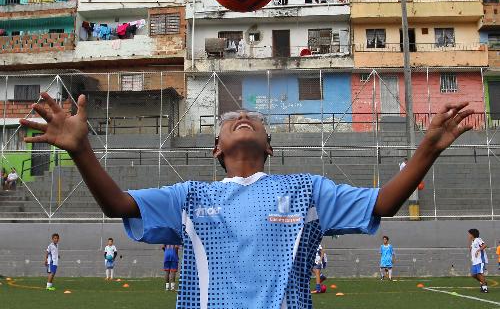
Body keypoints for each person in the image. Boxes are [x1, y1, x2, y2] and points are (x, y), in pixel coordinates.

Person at [20, 93, 474, 308]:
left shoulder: (307, 191)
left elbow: (383, 204)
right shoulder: (189, 197)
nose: (241, 116)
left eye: (252, 117)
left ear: (270, 146)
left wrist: (428, 148)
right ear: (215, 147)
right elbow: (118, 204)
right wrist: (81, 149)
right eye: (231, 118)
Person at [469, 228, 488, 293]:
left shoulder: (478, 239)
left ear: (473, 234)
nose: (469, 235)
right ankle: (483, 282)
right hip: (475, 261)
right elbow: (472, 249)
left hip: (480, 260)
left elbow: (484, 245)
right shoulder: (473, 241)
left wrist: (478, 250)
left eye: (469, 234)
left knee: (480, 273)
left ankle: (485, 288)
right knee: (473, 275)